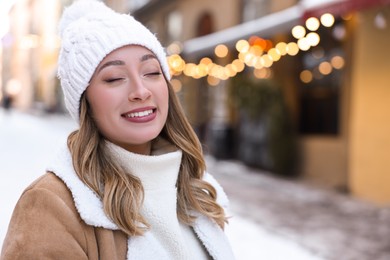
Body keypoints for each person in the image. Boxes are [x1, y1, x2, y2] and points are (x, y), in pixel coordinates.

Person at [0, 1, 235, 259]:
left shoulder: (198, 190)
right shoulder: (52, 206)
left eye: (151, 72)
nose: (140, 91)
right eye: (114, 78)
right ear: (85, 102)